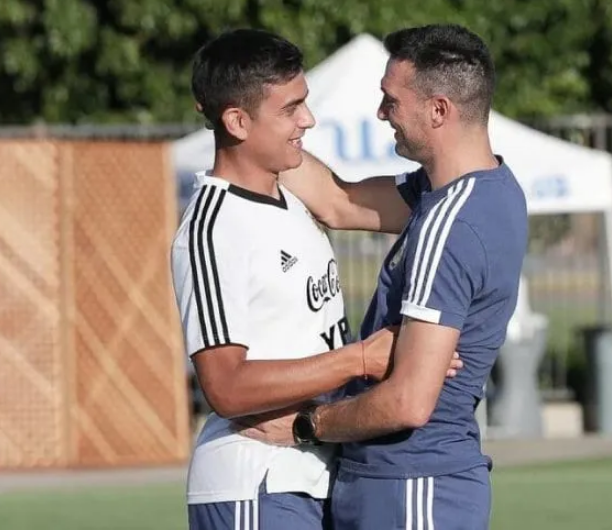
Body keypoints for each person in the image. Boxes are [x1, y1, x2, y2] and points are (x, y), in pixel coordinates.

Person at [169, 28, 461, 530]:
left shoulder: (291, 190)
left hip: (310, 472)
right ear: (237, 121)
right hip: (255, 481)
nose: (308, 119)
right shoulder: (212, 228)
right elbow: (226, 387)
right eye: (290, 109)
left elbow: (352, 202)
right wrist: (362, 359)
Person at [258, 23, 529, 530]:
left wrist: (306, 425)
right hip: (401, 482)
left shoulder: (452, 224)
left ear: (439, 110)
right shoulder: (475, 190)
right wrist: (262, 130)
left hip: (413, 486)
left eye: (391, 100)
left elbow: (408, 401)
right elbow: (339, 202)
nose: (382, 113)